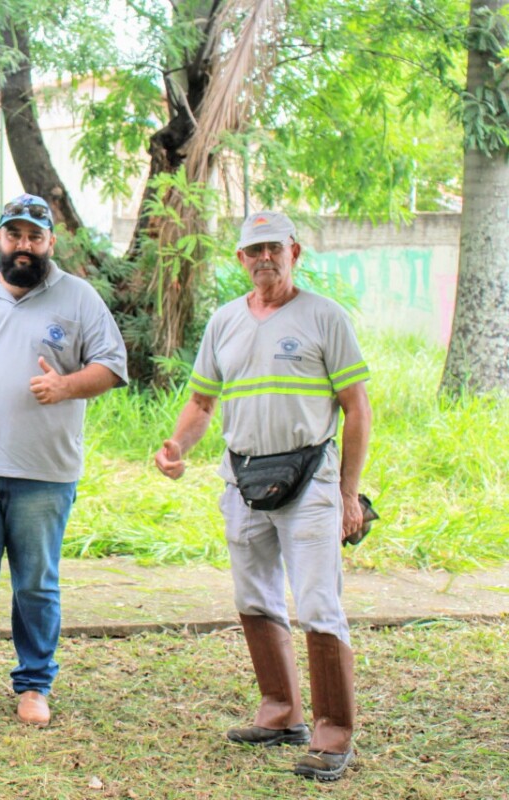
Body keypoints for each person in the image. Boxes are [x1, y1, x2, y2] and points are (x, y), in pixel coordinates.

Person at [154, 211, 372, 782]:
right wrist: (177, 444)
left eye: (274, 247)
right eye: (254, 250)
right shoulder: (225, 322)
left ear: (295, 252)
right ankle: (280, 714)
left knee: (319, 603)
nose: (264, 259)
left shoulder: (325, 316)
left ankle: (333, 732)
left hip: (311, 480)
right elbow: (202, 403)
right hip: (242, 479)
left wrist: (349, 494)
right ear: (240, 259)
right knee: (255, 598)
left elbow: (357, 408)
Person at [0, 194, 128, 728]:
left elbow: (112, 366)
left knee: (35, 581)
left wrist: (66, 385)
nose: (24, 245)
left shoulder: (79, 298)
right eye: (14, 235)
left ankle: (35, 684)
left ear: (49, 243)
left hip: (44, 473)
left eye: (34, 236)